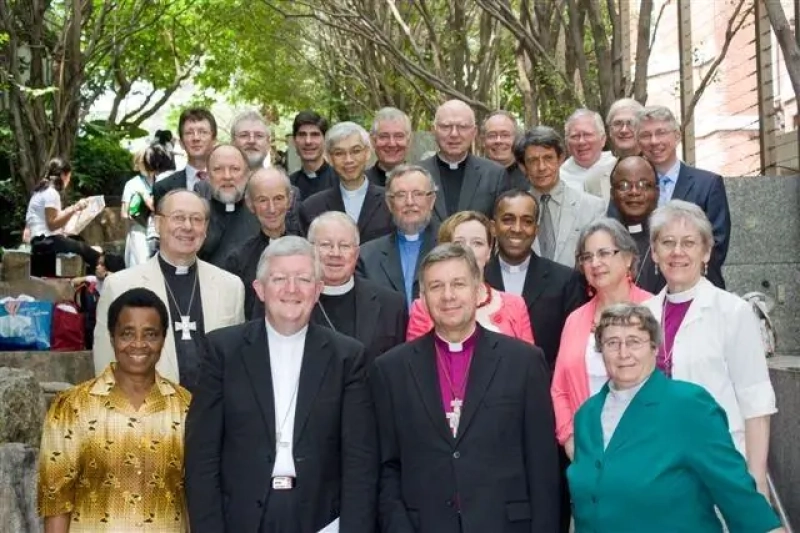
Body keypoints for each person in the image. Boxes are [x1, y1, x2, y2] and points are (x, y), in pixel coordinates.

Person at [185, 236, 377, 532]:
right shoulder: (223, 351)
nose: (291, 289)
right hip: (241, 517)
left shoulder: (347, 357)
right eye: (279, 279)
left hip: (321, 518)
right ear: (260, 290)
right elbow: (202, 455)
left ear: (318, 290)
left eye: (303, 279)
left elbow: (360, 461)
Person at [370, 243, 561, 533]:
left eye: (458, 284)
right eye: (436, 286)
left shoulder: (523, 362)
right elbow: (387, 467)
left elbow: (542, 465)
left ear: (478, 290)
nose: (448, 296)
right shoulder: (391, 369)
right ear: (422, 297)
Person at [569, 303, 782, 533]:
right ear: (600, 351)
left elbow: (734, 489)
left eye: (634, 341)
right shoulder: (587, 415)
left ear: (654, 348)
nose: (623, 353)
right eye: (612, 343)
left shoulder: (689, 405)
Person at [643, 200, 777, 498]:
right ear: (654, 252)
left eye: (689, 243)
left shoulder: (733, 312)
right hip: (657, 466)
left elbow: (756, 402)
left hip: (718, 467)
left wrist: (756, 482)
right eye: (668, 242)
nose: (677, 252)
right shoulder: (643, 314)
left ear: (706, 252)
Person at [38, 287, 192, 532]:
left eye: (150, 334)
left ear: (163, 338)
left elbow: (198, 496)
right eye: (127, 334)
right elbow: (57, 501)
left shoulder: (186, 408)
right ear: (112, 337)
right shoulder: (72, 407)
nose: (139, 344)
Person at [93, 189, 245, 393]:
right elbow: (106, 368)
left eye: (197, 219)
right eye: (178, 217)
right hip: (148, 415)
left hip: (215, 416)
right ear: (157, 224)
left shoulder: (231, 286)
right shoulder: (120, 286)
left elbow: (237, 364)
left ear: (206, 228)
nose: (188, 227)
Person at [550, 218, 652, 460]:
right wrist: (570, 440)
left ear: (627, 258)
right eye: (587, 257)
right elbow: (559, 388)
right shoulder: (574, 320)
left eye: (604, 253)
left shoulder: (653, 310)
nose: (595, 263)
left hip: (647, 449)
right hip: (589, 451)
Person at [485, 189, 586, 369]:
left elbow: (571, 349)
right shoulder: (477, 279)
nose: (517, 229)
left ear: (536, 230)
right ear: (493, 228)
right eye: (508, 220)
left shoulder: (565, 280)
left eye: (527, 221)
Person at [632, 105, 730, 288]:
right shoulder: (630, 188)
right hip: (644, 292)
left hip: (698, 290)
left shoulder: (708, 184)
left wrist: (676, 273)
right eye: (646, 135)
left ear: (677, 136)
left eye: (661, 132)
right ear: (638, 142)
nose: (654, 141)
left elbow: (717, 244)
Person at [406, 211, 534, 344]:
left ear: (489, 251)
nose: (468, 250)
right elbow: (415, 358)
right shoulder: (424, 306)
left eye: (477, 243)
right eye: (458, 243)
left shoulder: (515, 305)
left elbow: (529, 361)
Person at [308, 211, 407, 366]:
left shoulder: (391, 305)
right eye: (326, 245)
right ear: (310, 250)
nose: (335, 253)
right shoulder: (293, 301)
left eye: (344, 246)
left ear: (356, 254)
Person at [516, 126, 605, 267]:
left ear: (561, 159)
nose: (541, 167)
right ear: (523, 166)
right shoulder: (515, 209)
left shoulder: (592, 207)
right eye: (533, 160)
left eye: (548, 158)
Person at [224, 167, 303, 319]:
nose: (271, 209)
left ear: (290, 200)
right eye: (262, 200)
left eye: (278, 198)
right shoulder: (238, 260)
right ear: (250, 204)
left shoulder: (308, 253)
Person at [356, 164, 439, 309]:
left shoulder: (450, 247)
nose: (409, 202)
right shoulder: (366, 256)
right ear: (389, 203)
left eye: (417, 194)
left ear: (431, 201)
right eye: (400, 195)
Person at [300, 121, 394, 243]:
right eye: (339, 153)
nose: (348, 160)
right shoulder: (312, 208)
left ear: (367, 153)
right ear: (329, 158)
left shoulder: (391, 201)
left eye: (356, 151)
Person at [419, 99, 508, 223]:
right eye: (446, 126)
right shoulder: (416, 173)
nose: (454, 134)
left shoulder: (494, 175)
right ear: (434, 131)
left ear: (474, 132)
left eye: (462, 127)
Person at [26, 157, 102, 276]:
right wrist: (74, 208)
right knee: (89, 252)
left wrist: (70, 212)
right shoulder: (51, 193)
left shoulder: (39, 192)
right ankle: (108, 268)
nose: (68, 181)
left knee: (79, 242)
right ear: (62, 175)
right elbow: (52, 224)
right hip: (47, 242)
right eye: (69, 177)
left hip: (41, 241)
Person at [608, 155, 664, 293]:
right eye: (624, 185)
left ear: (657, 193)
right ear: (612, 194)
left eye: (644, 185)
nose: (634, 192)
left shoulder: (670, 239)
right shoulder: (600, 240)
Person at [197, 144, 260, 267]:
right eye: (218, 169)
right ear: (208, 177)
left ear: (247, 175)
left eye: (235, 169)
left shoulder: (262, 214)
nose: (227, 176)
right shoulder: (196, 217)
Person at [153, 108, 217, 206]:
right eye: (189, 133)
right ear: (181, 143)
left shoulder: (230, 183)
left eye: (203, 132)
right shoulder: (163, 188)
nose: (196, 138)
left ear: (214, 140)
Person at [559, 109, 617, 197]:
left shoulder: (617, 169)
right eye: (575, 136)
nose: (581, 142)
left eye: (587, 135)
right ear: (567, 143)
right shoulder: (558, 178)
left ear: (602, 139)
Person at [288, 110, 337, 200]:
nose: (308, 141)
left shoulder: (340, 181)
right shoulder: (288, 185)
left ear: (325, 140)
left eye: (315, 135)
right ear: (294, 141)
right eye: (302, 135)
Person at [122, 150, 157, 266]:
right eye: (143, 161)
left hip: (159, 232)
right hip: (139, 232)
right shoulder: (132, 184)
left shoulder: (162, 181)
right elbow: (124, 213)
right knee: (141, 266)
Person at [481, 110, 527, 189]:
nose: (498, 141)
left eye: (505, 135)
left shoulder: (531, 176)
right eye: (492, 135)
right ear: (482, 141)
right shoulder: (471, 176)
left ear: (516, 138)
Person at [367, 107, 412, 186]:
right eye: (384, 136)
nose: (392, 144)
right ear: (373, 141)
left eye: (399, 136)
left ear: (409, 141)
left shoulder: (422, 181)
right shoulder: (361, 183)